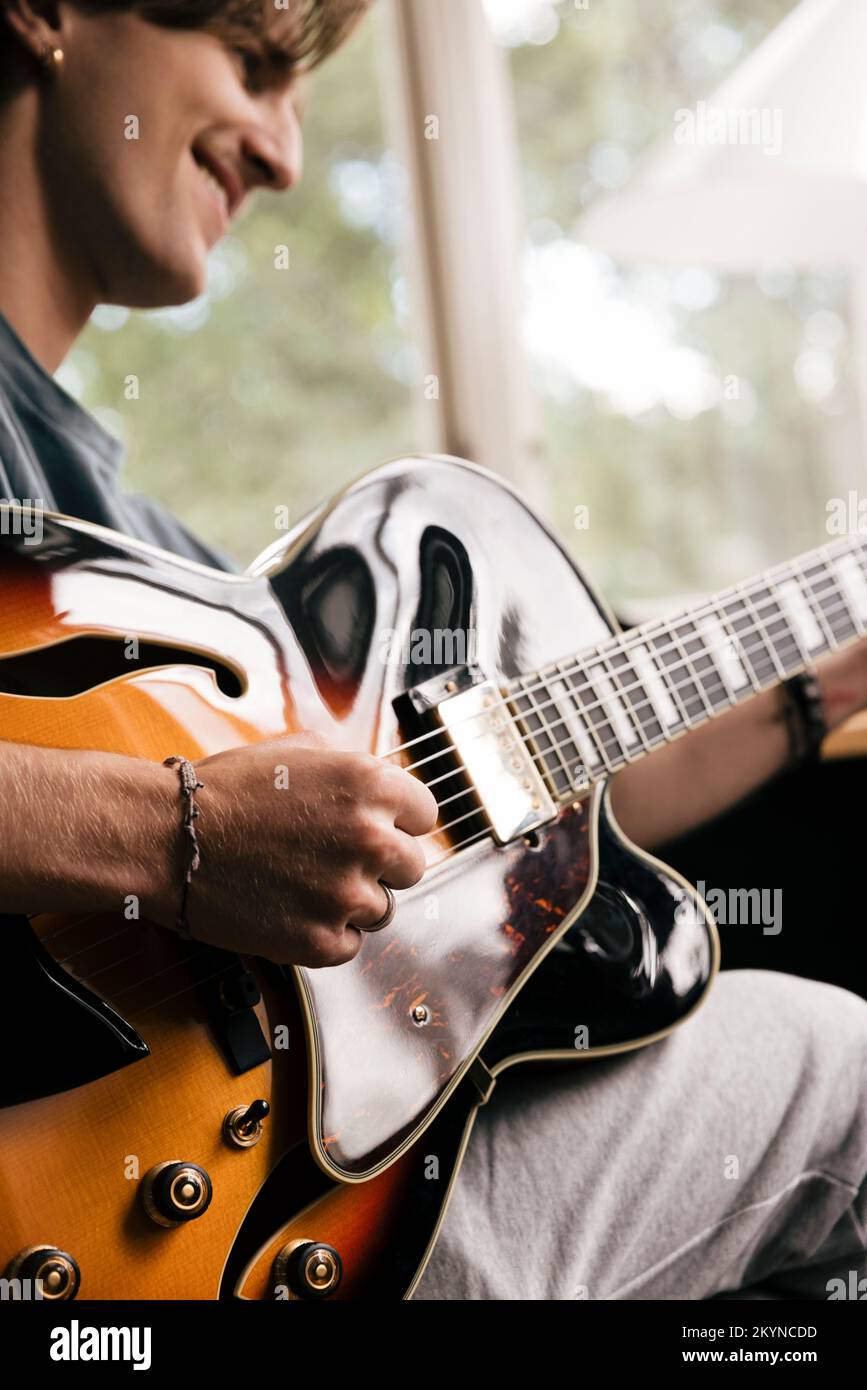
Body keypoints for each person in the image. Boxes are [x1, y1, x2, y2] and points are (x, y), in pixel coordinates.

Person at [0, 0, 864, 1302]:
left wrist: (824, 678)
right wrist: (177, 832)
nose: (286, 153)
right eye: (253, 62)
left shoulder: (138, 548)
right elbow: (199, 837)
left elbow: (527, 809)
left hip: (250, 1203)